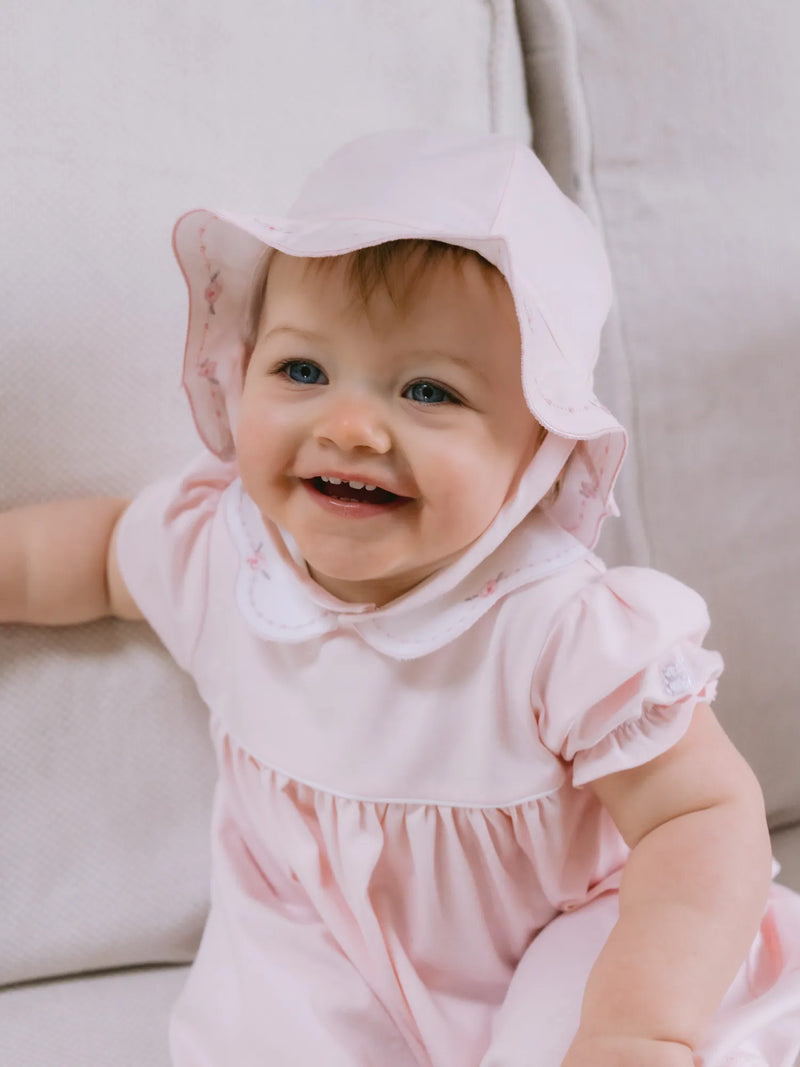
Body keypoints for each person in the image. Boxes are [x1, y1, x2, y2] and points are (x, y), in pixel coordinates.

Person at [2, 129, 799, 1067]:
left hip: (577, 934)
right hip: (314, 941)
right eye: (302, 370)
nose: (349, 425)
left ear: (541, 456)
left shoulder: (557, 626)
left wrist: (638, 1020)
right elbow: (89, 557)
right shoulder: (223, 554)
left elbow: (700, 816)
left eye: (428, 390)